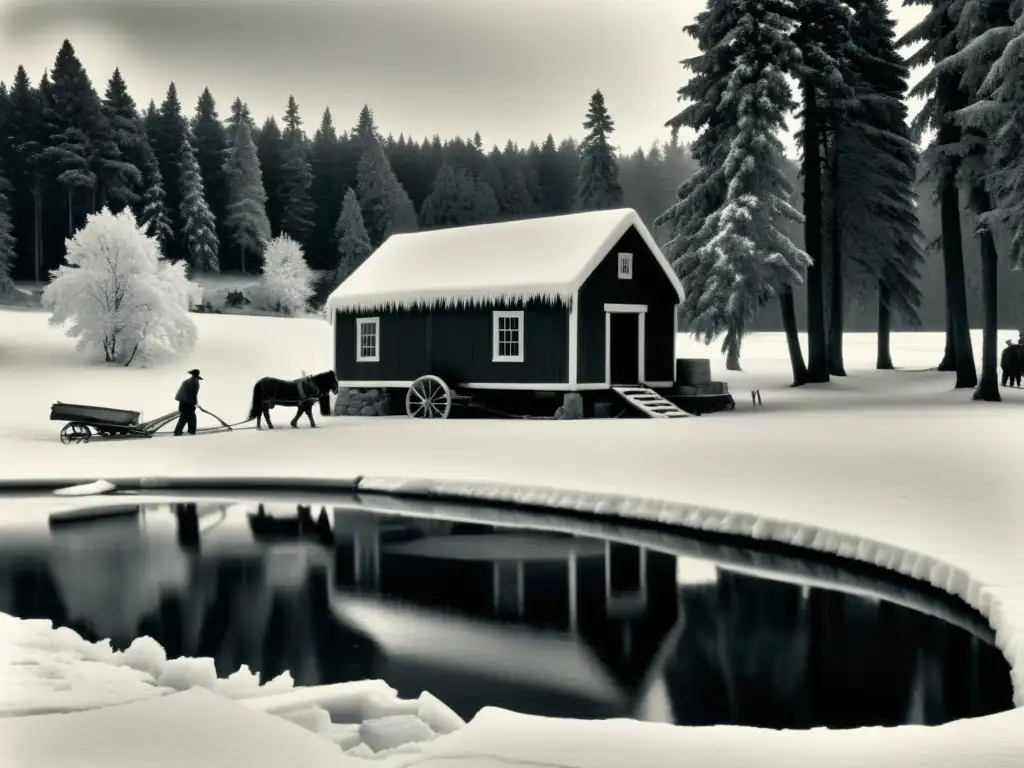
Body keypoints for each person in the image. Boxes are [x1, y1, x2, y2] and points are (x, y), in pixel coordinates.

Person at [174, 369, 202, 436]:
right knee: (187, 416)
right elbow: (192, 394)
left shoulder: (187, 381)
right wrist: (194, 403)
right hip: (188, 403)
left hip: (183, 402)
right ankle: (181, 431)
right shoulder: (194, 382)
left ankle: (189, 430)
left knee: (188, 416)